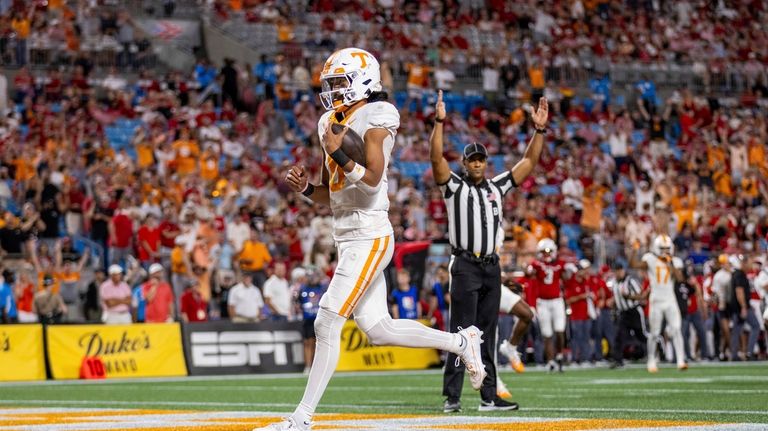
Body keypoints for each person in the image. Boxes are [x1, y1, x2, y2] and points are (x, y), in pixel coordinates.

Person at [259, 48, 485, 431]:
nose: (331, 91)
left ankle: (302, 418)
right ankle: (461, 343)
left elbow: (372, 178)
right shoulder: (328, 121)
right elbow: (333, 194)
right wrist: (306, 188)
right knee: (379, 329)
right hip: (346, 231)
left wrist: (340, 154)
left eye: (339, 82)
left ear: (364, 80)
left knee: (327, 320)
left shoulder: (379, 114)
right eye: (328, 84)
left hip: (370, 232)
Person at [430, 88, 548, 412]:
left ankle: (488, 397)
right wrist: (439, 123)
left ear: (487, 162)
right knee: (460, 333)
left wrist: (538, 130)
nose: (478, 164)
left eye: (482, 160)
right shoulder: (455, 187)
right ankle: (452, 397)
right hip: (465, 265)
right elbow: (436, 160)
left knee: (488, 334)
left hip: (491, 267)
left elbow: (529, 162)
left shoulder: (497, 187)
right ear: (465, 163)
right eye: (473, 160)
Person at [628, 234, 688, 372]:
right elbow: (634, 264)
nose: (665, 251)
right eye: (662, 248)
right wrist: (634, 251)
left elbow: (680, 279)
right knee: (654, 333)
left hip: (670, 299)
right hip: (656, 300)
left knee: (676, 329)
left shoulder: (675, 261)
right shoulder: (650, 258)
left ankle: (680, 360)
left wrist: (669, 263)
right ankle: (651, 361)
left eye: (667, 248)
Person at [528, 238, 569, 373]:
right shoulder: (536, 264)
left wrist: (569, 269)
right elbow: (529, 272)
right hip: (542, 302)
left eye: (549, 251)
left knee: (559, 330)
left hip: (557, 301)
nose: (546, 254)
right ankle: (551, 361)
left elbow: (567, 276)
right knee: (546, 333)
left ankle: (560, 355)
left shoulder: (560, 264)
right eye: (544, 252)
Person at [609, 261, 648, 368]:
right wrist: (613, 304)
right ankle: (618, 360)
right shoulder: (614, 282)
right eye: (616, 271)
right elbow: (617, 298)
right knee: (619, 336)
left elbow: (641, 295)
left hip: (634, 311)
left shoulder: (630, 281)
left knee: (641, 335)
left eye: (620, 270)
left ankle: (655, 352)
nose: (619, 273)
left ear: (623, 270)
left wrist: (629, 296)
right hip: (623, 313)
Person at [728, 255, 761, 361]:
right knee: (756, 326)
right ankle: (749, 352)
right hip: (740, 308)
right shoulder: (739, 274)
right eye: (749, 263)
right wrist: (744, 307)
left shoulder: (738, 274)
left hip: (739, 307)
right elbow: (739, 291)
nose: (750, 266)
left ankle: (734, 354)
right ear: (744, 263)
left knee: (737, 330)